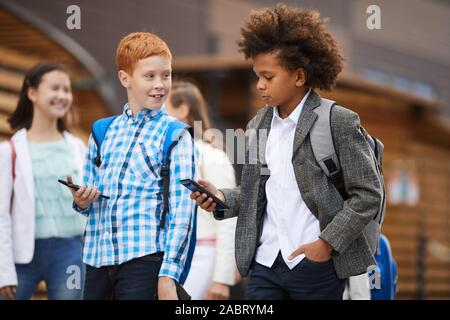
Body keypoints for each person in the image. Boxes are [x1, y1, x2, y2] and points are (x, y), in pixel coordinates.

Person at [191, 5, 383, 300]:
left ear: (299, 76)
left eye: (268, 76)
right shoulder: (257, 125)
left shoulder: (338, 121)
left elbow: (368, 194)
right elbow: (255, 193)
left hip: (316, 266)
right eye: (257, 76)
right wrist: (219, 197)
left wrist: (326, 244)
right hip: (265, 264)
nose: (259, 85)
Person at [69, 32, 197, 300]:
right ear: (125, 78)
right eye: (150, 76)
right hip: (97, 259)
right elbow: (90, 202)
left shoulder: (175, 136)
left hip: (144, 260)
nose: (160, 84)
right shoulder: (102, 131)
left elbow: (182, 213)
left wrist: (168, 275)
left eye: (166, 75)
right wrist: (82, 201)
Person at [0, 63, 86, 300]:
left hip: (71, 253)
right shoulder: (9, 151)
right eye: (55, 88)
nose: (62, 96)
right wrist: (3, 271)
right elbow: (1, 215)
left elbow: (89, 205)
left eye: (67, 90)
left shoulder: (79, 148)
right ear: (33, 93)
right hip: (21, 256)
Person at [166, 81, 237, 300]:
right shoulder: (168, 155)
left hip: (202, 255)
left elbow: (228, 218)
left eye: (164, 108)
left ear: (183, 109)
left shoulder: (212, 157)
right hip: (172, 257)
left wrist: (221, 279)